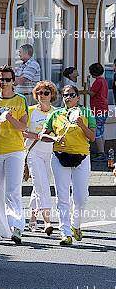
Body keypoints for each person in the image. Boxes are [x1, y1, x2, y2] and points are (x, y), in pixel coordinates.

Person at [43, 84, 96, 246]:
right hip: (60, 157)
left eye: (72, 95)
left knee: (81, 198)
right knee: (62, 196)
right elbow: (43, 135)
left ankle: (76, 225)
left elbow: (92, 137)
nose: (68, 98)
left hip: (81, 157)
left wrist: (82, 125)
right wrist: (53, 139)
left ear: (78, 97)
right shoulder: (55, 114)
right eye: (65, 95)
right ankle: (65, 232)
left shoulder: (86, 113)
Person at [0, 65, 27, 244]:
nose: (4, 82)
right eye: (1, 79)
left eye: (7, 79)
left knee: (13, 190)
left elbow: (23, 127)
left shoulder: (20, 100)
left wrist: (10, 118)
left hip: (15, 149)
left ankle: (16, 226)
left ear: (13, 81)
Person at [23, 81, 56, 235]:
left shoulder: (56, 113)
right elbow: (22, 131)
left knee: (41, 184)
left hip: (50, 153)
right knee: (42, 184)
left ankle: (32, 216)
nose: (43, 96)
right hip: (34, 152)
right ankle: (47, 221)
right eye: (40, 93)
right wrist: (37, 136)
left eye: (46, 93)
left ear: (52, 95)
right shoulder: (30, 111)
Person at [89, 62, 108, 160]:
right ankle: (102, 151)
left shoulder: (98, 81)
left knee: (97, 132)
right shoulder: (103, 80)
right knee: (101, 131)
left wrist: (88, 87)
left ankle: (101, 153)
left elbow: (92, 93)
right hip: (103, 108)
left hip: (98, 109)